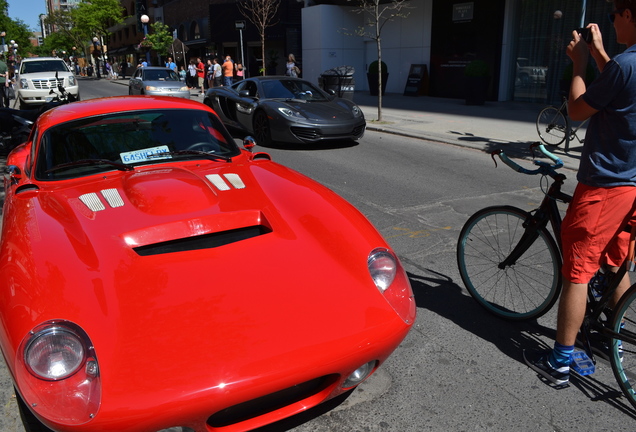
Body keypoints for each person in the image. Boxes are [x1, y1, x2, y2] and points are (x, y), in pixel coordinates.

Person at [524, 1, 636, 386]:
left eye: (614, 14)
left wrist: (578, 64)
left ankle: (559, 364)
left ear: (628, 15)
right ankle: (614, 340)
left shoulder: (626, 65)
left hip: (606, 184)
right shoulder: (624, 65)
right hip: (632, 187)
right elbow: (620, 89)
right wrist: (600, 53)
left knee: (578, 272)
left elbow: (575, 110)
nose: (612, 21)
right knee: (615, 263)